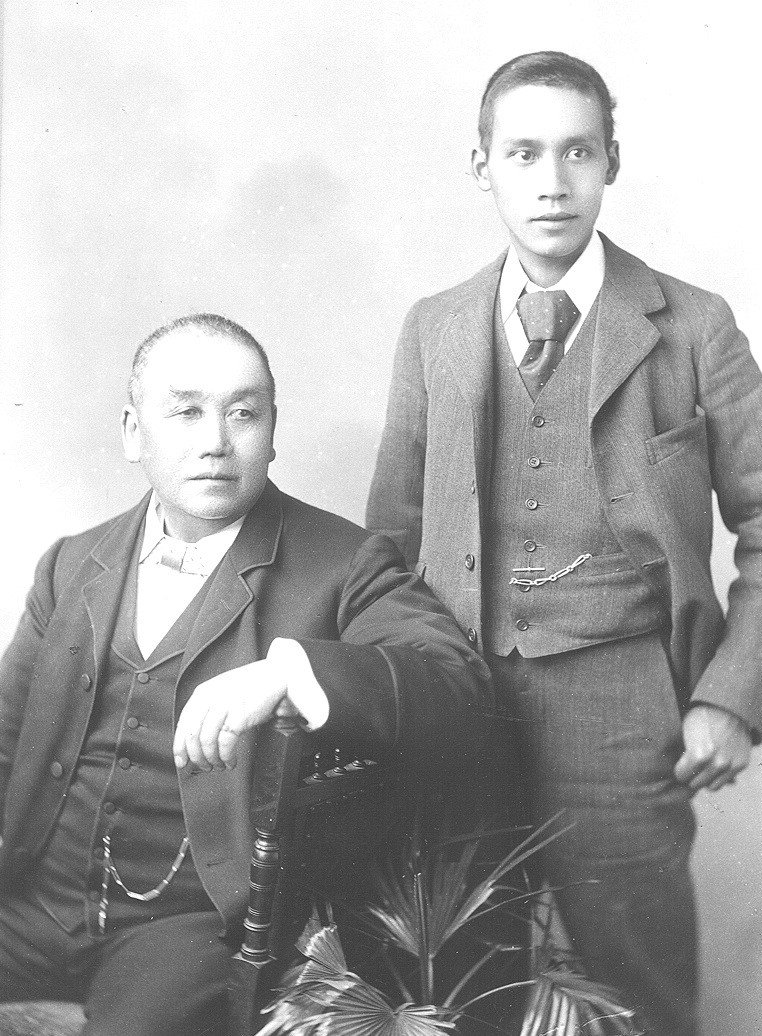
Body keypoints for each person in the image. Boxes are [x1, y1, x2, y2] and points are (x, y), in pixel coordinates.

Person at [366, 50, 762, 1036]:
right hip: (459, 708)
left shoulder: (691, 327)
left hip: (625, 716)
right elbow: (385, 545)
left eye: (575, 151)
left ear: (610, 162)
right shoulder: (434, 328)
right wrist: (390, 698)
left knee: (638, 997)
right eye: (522, 153)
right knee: (459, 992)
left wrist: (730, 697)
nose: (550, 180)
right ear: (482, 168)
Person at [0, 313, 493, 1036]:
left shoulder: (343, 563)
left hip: (185, 926)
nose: (215, 441)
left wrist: (293, 670)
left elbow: (459, 687)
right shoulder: (72, 563)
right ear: (134, 433)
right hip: (32, 897)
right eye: (187, 411)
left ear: (271, 431)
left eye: (242, 413)